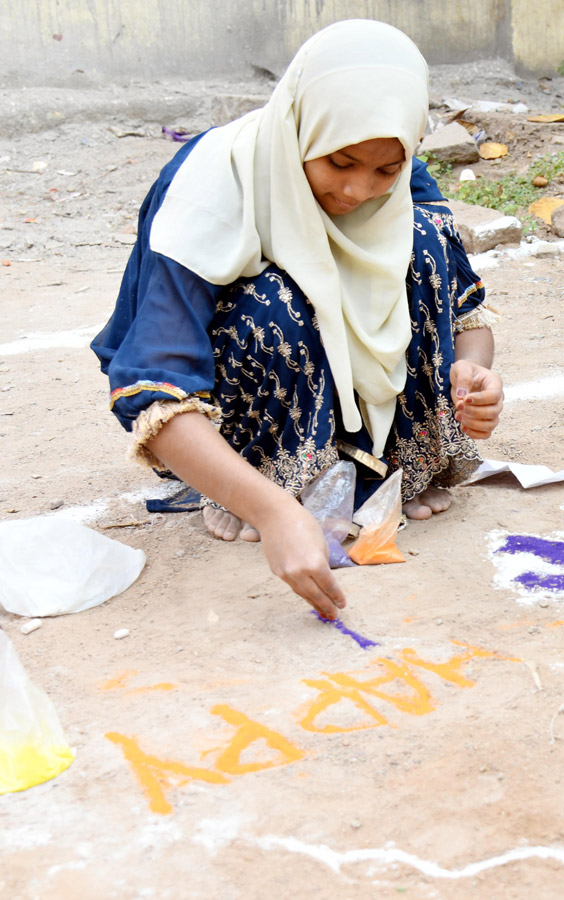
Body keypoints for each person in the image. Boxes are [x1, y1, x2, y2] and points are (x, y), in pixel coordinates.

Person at [91, 20, 503, 620]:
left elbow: (463, 308)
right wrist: (272, 512)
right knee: (276, 299)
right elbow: (156, 383)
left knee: (424, 235)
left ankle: (388, 469)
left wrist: (473, 370)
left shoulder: (397, 172)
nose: (358, 189)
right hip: (243, 404)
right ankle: (258, 481)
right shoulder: (214, 181)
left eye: (385, 170)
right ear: (300, 125)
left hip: (352, 400)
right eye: (338, 161)